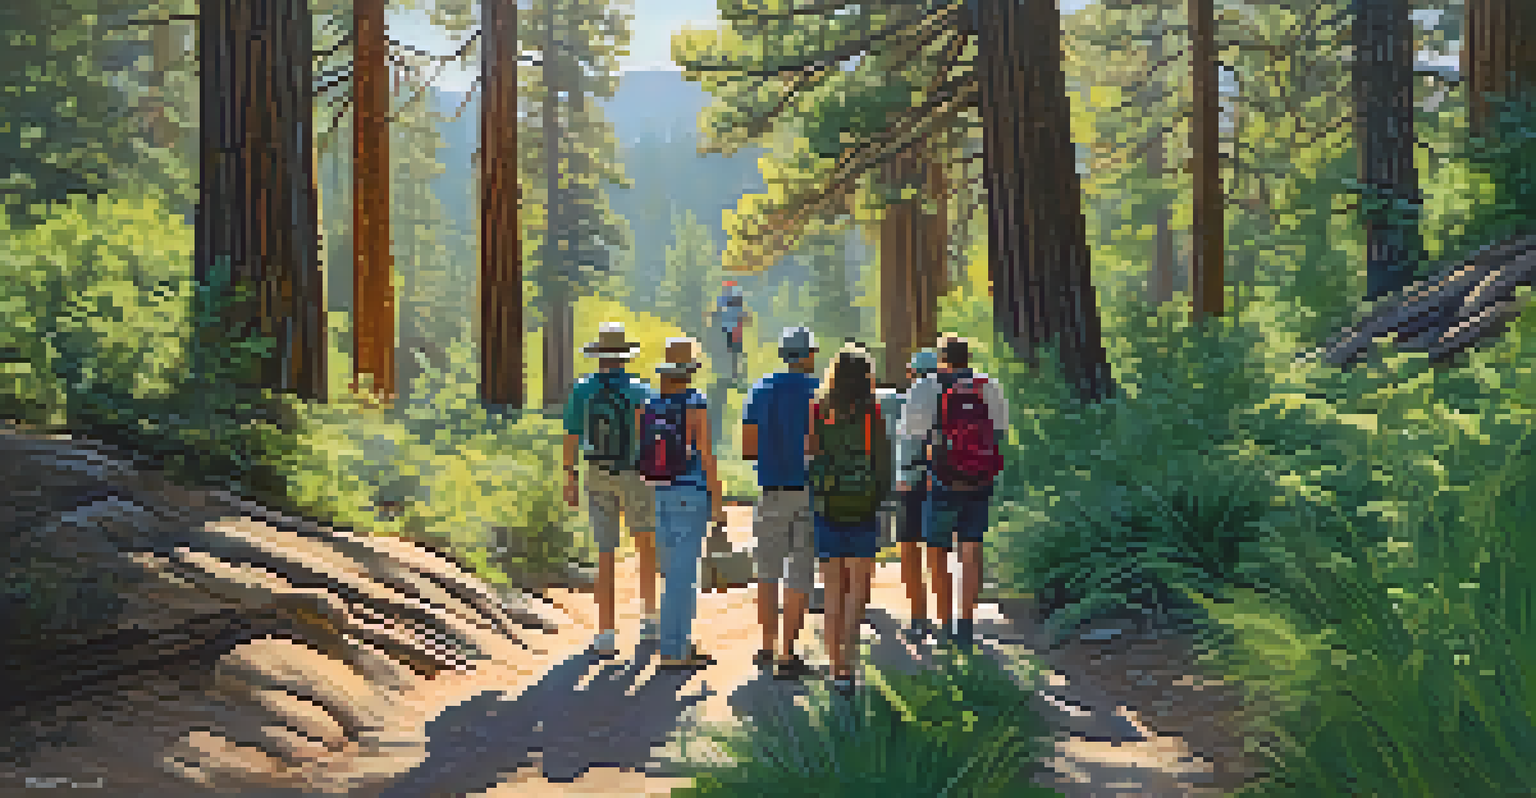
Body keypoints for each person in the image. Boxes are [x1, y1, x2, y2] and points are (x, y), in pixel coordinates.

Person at [898, 335, 1010, 651]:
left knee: (937, 550)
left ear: (942, 359)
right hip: (980, 480)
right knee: (971, 549)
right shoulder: (988, 385)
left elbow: (910, 436)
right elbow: (999, 432)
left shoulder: (928, 387)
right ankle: (966, 625)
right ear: (968, 358)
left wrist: (907, 475)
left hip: (943, 480)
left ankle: (944, 625)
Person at [562, 322, 659, 658]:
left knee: (605, 552)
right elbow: (650, 437)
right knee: (645, 543)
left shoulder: (582, 390)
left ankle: (605, 632)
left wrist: (570, 476)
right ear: (625, 357)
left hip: (596, 472)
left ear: (599, 355)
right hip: (634, 474)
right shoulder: (641, 391)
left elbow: (571, 436)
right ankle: (649, 619)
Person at [806, 342, 892, 695]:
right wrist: (878, 497)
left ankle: (834, 666)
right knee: (858, 590)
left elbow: (810, 455)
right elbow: (883, 461)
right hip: (863, 508)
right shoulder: (872, 411)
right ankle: (850, 662)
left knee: (832, 593)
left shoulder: (819, 408)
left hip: (827, 507)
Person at [637, 337, 727, 669]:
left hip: (660, 492)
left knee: (672, 573)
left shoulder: (652, 402)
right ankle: (676, 650)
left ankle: (673, 644)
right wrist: (718, 502)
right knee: (684, 576)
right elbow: (705, 454)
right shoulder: (695, 402)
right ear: (690, 371)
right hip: (691, 494)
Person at [742, 327, 821, 680]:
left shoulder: (760, 390)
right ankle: (788, 653)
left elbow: (747, 448)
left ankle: (766, 645)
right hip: (809, 491)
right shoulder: (820, 391)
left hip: (771, 490)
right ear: (807, 355)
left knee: (768, 571)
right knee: (800, 571)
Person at [875, 349, 941, 645]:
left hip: (908, 483)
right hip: (942, 482)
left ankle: (918, 617)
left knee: (910, 549)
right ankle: (948, 618)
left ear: (911, 374)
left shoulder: (896, 401)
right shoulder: (948, 399)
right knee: (939, 551)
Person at [712, 281, 751, 382]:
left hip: (732, 331)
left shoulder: (727, 303)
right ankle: (733, 375)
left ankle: (734, 375)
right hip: (731, 331)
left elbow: (716, 314)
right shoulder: (730, 303)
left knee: (733, 354)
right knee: (733, 354)